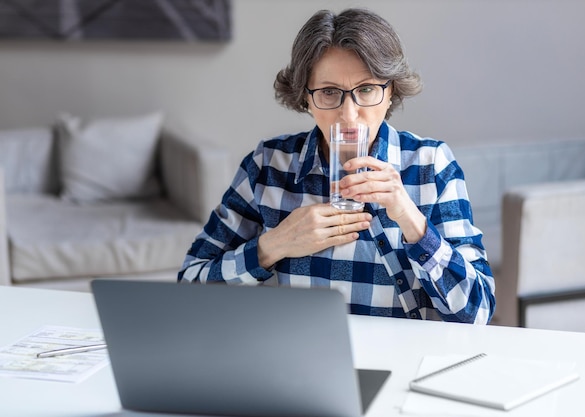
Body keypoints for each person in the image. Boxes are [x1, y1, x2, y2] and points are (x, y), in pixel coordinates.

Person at [178, 8, 495, 324]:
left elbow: (477, 312)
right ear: (305, 98)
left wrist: (412, 221)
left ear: (391, 92)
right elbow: (188, 289)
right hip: (298, 364)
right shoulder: (268, 167)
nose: (349, 115)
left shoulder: (430, 164)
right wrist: (274, 244)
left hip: (403, 364)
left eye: (367, 90)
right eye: (329, 92)